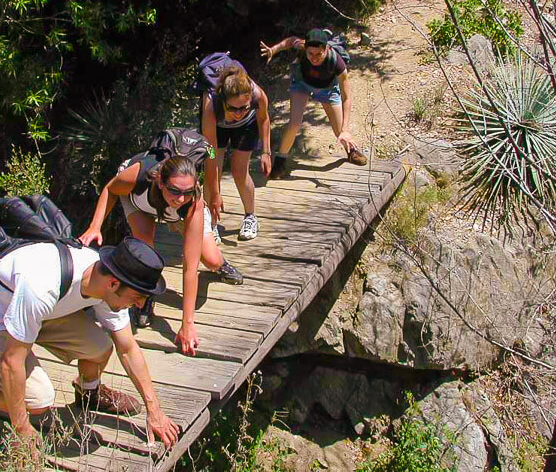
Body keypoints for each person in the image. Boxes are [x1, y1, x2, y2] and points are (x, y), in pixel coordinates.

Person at [0, 236, 181, 451]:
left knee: (99, 346)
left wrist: (155, 410)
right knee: (37, 399)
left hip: (39, 313)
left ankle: (89, 393)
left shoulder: (106, 280)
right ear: (112, 284)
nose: (141, 305)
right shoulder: (43, 286)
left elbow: (128, 348)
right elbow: (12, 362)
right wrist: (22, 428)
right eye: (138, 297)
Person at [79, 154, 243, 356]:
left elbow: (190, 268)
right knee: (144, 250)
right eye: (174, 190)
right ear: (160, 181)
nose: (180, 197)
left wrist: (187, 324)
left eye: (187, 191)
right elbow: (110, 189)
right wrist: (95, 227)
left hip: (178, 213)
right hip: (141, 203)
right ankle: (144, 297)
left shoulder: (192, 203)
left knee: (210, 259)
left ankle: (221, 265)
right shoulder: (136, 177)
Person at [260, 28, 367, 178]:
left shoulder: (337, 63)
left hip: (327, 89)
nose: (314, 58)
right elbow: (291, 41)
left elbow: (346, 97)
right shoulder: (302, 47)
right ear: (306, 49)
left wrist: (346, 129)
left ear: (327, 49)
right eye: (311, 54)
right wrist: (274, 50)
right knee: (295, 123)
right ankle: (280, 160)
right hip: (302, 84)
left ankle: (351, 151)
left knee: (340, 131)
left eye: (319, 54)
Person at [201, 64, 271, 242]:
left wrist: (266, 152)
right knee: (213, 174)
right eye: (233, 108)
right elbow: (210, 154)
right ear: (224, 101)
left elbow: (263, 119)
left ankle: (250, 216)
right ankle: (212, 223)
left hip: (246, 128)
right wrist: (216, 194)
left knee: (240, 172)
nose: (239, 112)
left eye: (244, 107)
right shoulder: (211, 104)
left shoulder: (257, 94)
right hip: (217, 127)